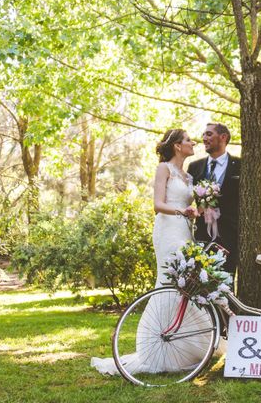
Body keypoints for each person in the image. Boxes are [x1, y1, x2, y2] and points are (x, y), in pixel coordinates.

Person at [91, 129, 208, 375]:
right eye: (188, 140)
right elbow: (157, 205)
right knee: (168, 281)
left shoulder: (188, 176)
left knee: (185, 285)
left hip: (185, 231)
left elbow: (189, 205)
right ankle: (159, 347)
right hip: (168, 231)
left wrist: (195, 211)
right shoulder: (163, 169)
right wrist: (181, 212)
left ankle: (186, 346)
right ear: (177, 146)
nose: (193, 142)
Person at [187, 123, 240, 276]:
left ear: (223, 137)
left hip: (229, 237)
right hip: (202, 236)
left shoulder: (240, 165)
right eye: (203, 135)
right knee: (200, 283)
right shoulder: (194, 167)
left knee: (226, 284)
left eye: (209, 134)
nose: (204, 138)